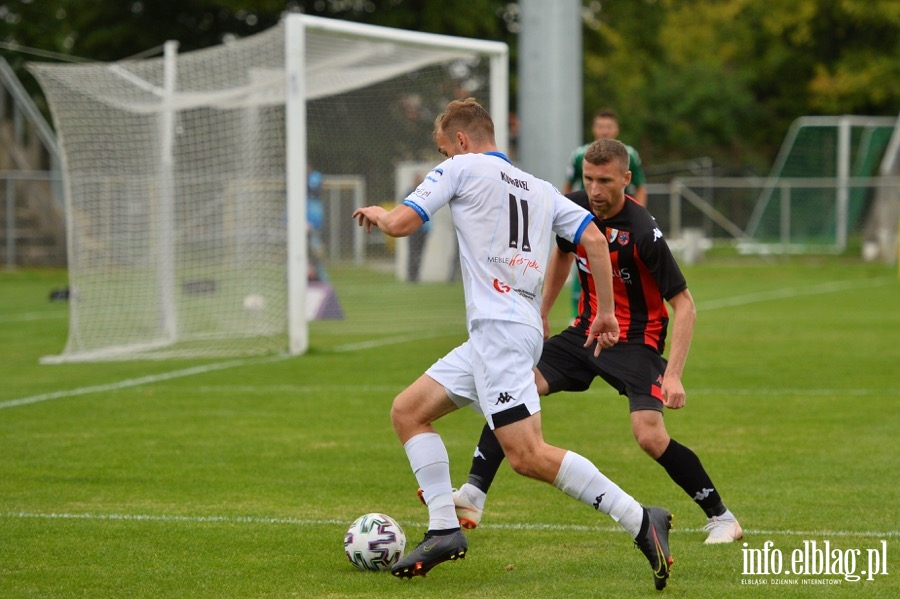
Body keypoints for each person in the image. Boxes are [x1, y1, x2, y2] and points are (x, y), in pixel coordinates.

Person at [353, 98, 674, 590]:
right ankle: (443, 529)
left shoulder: (460, 168)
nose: (444, 158)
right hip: (509, 329)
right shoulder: (540, 187)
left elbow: (402, 223)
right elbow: (593, 241)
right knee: (409, 410)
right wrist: (605, 311)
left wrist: (378, 212)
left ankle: (640, 518)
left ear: (461, 142)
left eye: (443, 149)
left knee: (527, 455)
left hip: (500, 332)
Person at [448, 138, 743, 546]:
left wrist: (673, 376)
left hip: (637, 341)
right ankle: (474, 492)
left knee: (650, 436)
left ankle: (722, 517)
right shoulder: (576, 206)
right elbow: (563, 255)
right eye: (589, 179)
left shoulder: (643, 231)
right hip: (586, 333)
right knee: (517, 383)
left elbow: (685, 305)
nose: (595, 191)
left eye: (605, 181)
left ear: (626, 179)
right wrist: (541, 312)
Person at [564, 109, 647, 206]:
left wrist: (640, 213)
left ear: (617, 129)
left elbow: (640, 186)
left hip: (618, 212)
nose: (605, 132)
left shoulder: (630, 155)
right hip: (587, 211)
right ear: (593, 129)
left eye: (609, 127)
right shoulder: (579, 155)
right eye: (600, 127)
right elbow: (568, 185)